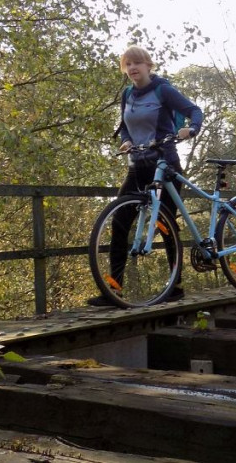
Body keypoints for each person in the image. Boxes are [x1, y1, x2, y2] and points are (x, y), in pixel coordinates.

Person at [88, 46, 204, 306]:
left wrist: (192, 129)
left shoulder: (163, 90)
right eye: (127, 64)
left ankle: (175, 287)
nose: (132, 68)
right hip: (137, 166)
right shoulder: (127, 94)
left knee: (166, 225)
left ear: (148, 65)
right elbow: (124, 128)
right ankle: (113, 290)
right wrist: (127, 142)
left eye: (137, 63)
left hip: (165, 165)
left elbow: (194, 111)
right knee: (119, 223)